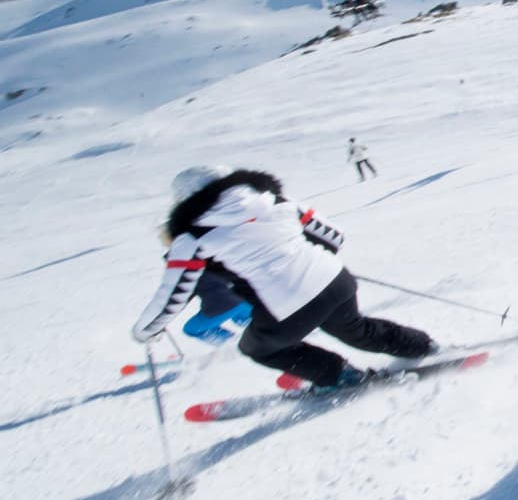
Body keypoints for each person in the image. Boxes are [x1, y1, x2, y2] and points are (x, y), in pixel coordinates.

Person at [132, 166, 436, 387]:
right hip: (334, 280)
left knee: (257, 347)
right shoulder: (277, 201)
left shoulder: (193, 237)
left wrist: (146, 331)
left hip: (286, 305)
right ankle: (423, 346)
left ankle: (341, 375)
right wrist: (301, 257)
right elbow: (334, 237)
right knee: (355, 329)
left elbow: (173, 296)